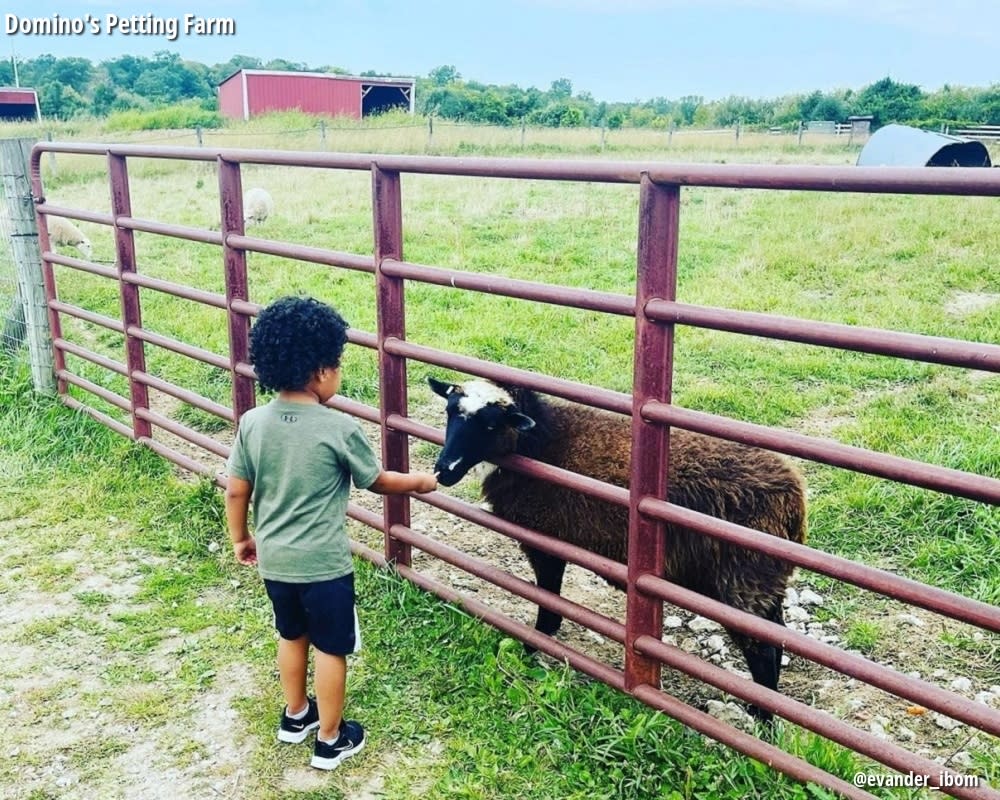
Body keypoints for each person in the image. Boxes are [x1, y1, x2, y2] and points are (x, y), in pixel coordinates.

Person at [224, 295, 437, 771]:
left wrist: (241, 537)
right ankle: (330, 739)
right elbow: (376, 480)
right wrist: (419, 481)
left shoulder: (253, 423)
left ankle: (296, 715)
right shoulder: (339, 428)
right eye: (338, 366)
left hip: (276, 561)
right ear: (322, 371)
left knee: (291, 634)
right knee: (332, 647)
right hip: (324, 566)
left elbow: (237, 490)